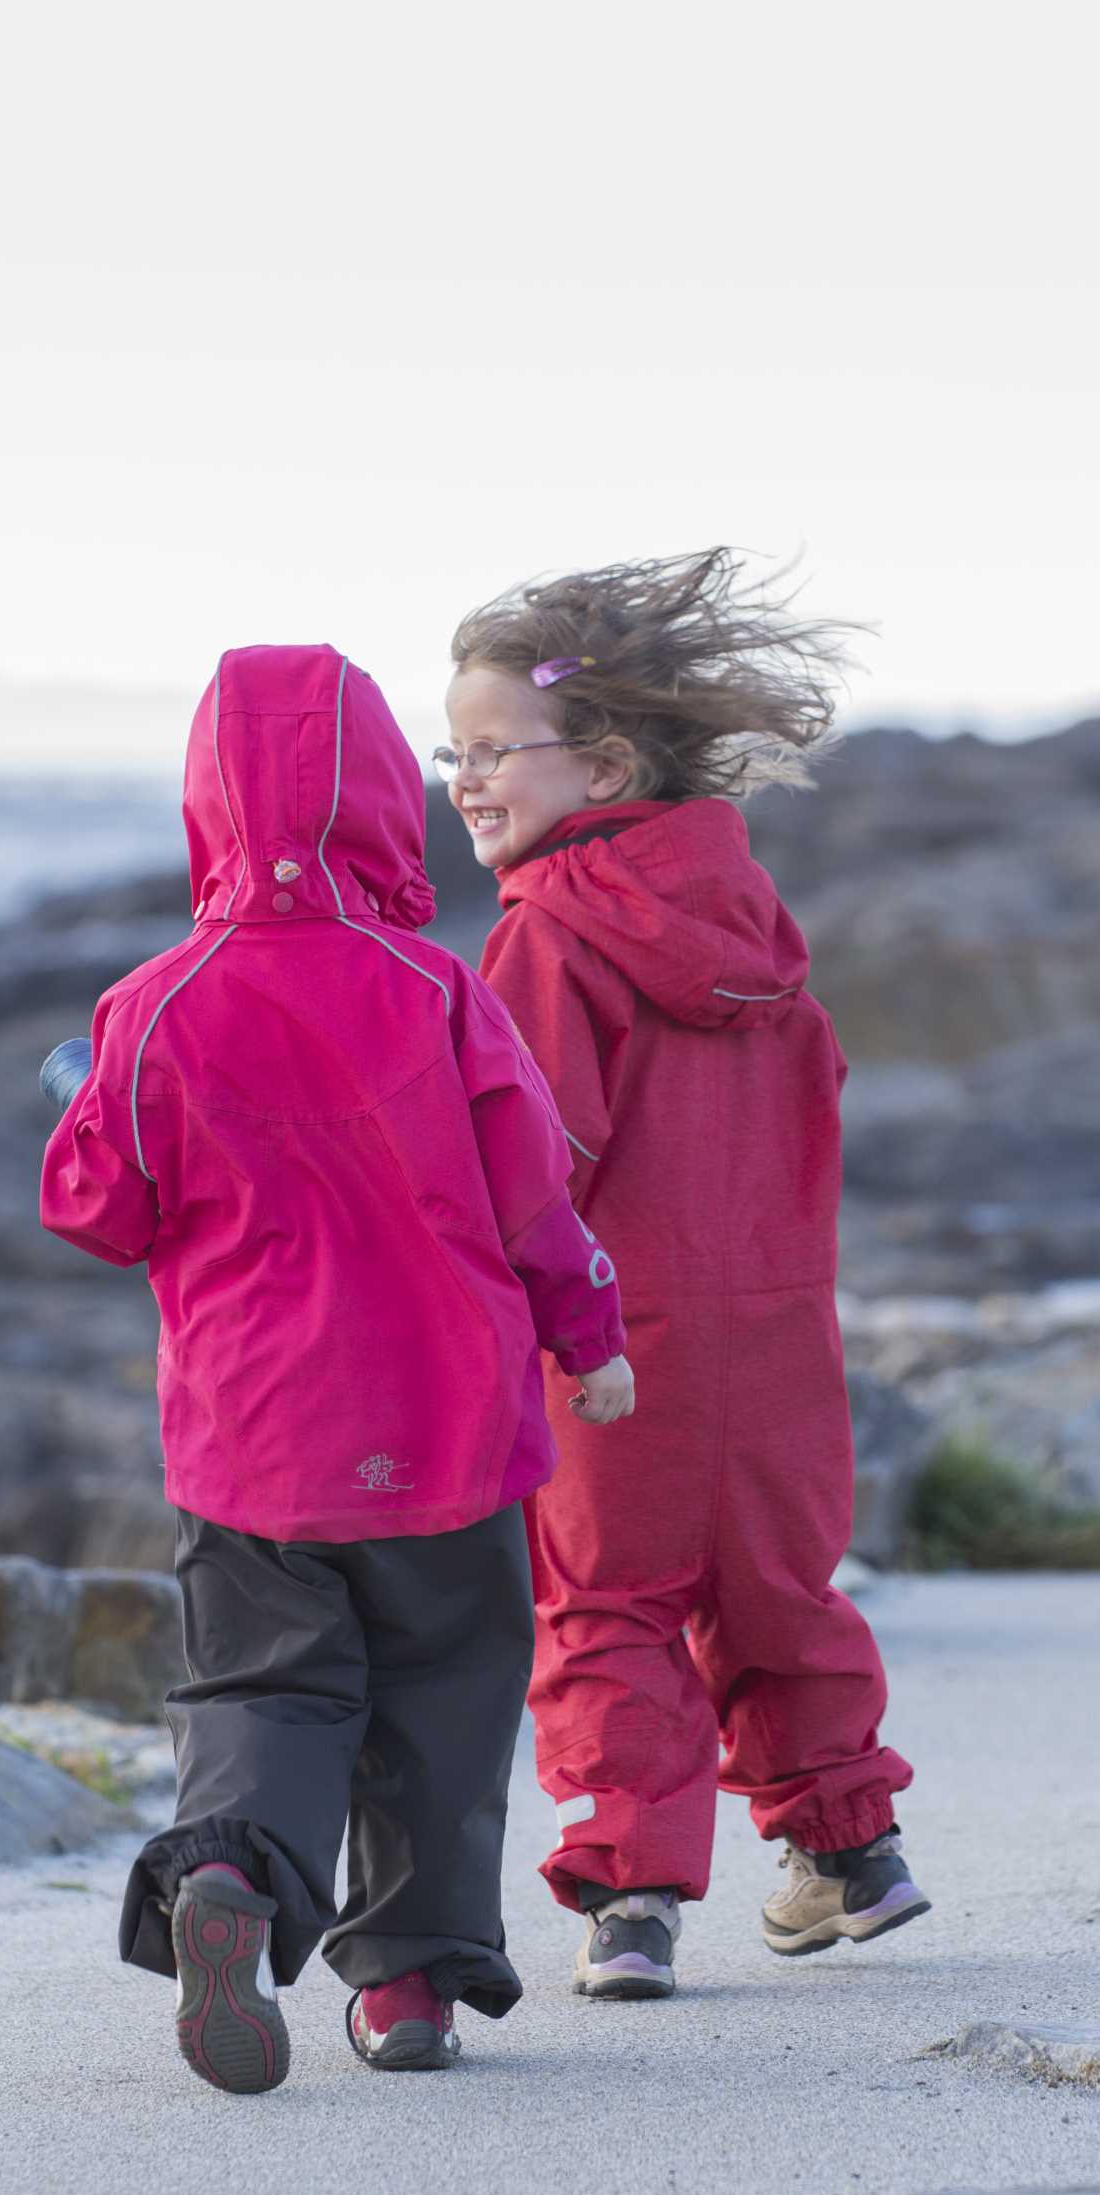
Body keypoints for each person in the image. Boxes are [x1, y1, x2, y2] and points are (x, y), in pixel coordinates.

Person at [43, 642, 632, 2092]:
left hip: (256, 1443)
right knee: (445, 1698)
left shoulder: (157, 1005)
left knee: (263, 1691)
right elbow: (532, 1195)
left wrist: (79, 1101)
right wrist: (592, 1338)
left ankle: (234, 1874)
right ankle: (411, 1987)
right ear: (380, 798)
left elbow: (99, 1208)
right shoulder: (437, 992)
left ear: (207, 806)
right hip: (447, 1429)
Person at [443, 550, 924, 2001]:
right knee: (778, 1587)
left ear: (598, 762)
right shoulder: (757, 937)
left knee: (610, 1601)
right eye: (447, 753)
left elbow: (537, 1151)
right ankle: (854, 1850)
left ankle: (632, 1895)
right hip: (778, 1335)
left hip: (615, 1339)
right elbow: (814, 1110)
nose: (463, 782)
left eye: (489, 753)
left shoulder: (546, 935)